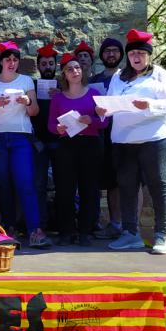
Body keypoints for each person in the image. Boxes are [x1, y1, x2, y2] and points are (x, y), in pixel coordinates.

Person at [95, 29, 166, 255]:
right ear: (128, 56)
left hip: (156, 138)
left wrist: (149, 105)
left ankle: (162, 235)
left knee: (158, 184)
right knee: (127, 187)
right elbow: (110, 106)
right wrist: (102, 111)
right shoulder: (117, 77)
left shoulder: (159, 74)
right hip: (123, 141)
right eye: (133, 54)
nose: (137, 57)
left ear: (149, 55)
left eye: (141, 53)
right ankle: (130, 234)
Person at [0, 41, 51, 248]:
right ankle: (9, 228)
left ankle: (34, 230)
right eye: (8, 59)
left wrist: (27, 103)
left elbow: (35, 112)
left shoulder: (26, 81)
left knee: (25, 182)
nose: (11, 63)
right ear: (1, 62)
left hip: (21, 136)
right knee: (3, 183)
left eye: (15, 60)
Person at [48, 53, 107, 246]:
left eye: (77, 68)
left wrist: (93, 120)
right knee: (65, 189)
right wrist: (58, 128)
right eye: (70, 69)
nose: (75, 71)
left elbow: (105, 122)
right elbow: (50, 125)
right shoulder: (57, 98)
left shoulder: (94, 94)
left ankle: (85, 231)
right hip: (67, 145)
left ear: (83, 71)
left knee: (89, 189)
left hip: (90, 144)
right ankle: (66, 231)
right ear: (64, 74)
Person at [90, 38, 125, 240]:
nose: (111, 54)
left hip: (121, 135)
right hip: (98, 137)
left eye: (115, 51)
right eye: (107, 51)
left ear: (120, 54)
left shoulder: (126, 78)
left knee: (120, 182)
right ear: (102, 55)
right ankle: (104, 223)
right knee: (101, 181)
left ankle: (122, 224)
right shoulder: (94, 80)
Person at [31, 42, 60, 232]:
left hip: (59, 142)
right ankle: (40, 225)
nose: (47, 67)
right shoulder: (32, 86)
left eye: (50, 63)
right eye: (44, 64)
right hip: (39, 143)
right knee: (39, 185)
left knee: (62, 184)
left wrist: (60, 96)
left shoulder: (63, 85)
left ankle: (62, 224)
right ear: (38, 66)